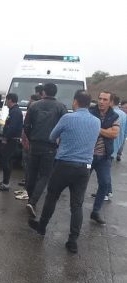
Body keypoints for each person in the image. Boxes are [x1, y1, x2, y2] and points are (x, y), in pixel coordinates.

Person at [28, 90, 100, 254]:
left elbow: (52, 136)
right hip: (84, 169)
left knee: (52, 196)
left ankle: (42, 227)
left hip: (64, 165)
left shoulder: (68, 118)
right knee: (77, 205)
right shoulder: (96, 122)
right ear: (89, 104)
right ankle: (73, 241)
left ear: (75, 102)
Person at [24, 83, 67, 216]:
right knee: (44, 175)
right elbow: (64, 126)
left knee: (31, 173)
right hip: (50, 146)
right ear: (55, 92)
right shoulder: (61, 107)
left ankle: (31, 199)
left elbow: (26, 125)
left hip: (35, 144)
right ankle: (33, 201)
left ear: (43, 92)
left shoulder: (34, 105)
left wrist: (31, 138)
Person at [88, 91, 119, 225]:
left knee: (105, 184)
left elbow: (114, 134)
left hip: (104, 157)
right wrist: (106, 130)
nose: (101, 101)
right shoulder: (90, 112)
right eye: (100, 98)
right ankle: (75, 208)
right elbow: (87, 129)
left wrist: (97, 128)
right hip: (88, 155)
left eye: (105, 99)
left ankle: (95, 212)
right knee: (80, 183)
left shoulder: (114, 115)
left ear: (110, 102)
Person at [0, 93, 23, 191]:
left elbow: (12, 127)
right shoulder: (14, 111)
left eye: (7, 100)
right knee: (7, 161)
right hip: (11, 139)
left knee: (6, 161)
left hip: (11, 140)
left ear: (10, 100)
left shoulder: (15, 112)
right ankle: (5, 181)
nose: (6, 102)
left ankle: (6, 184)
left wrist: (5, 138)